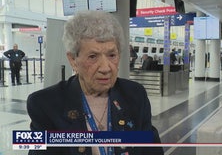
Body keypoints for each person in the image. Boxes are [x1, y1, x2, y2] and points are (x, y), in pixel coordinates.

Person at [27, 10, 164, 155]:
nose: (105, 68)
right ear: (73, 59)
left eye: (112, 55)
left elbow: (151, 149)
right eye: (93, 57)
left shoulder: (135, 95)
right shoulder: (45, 104)